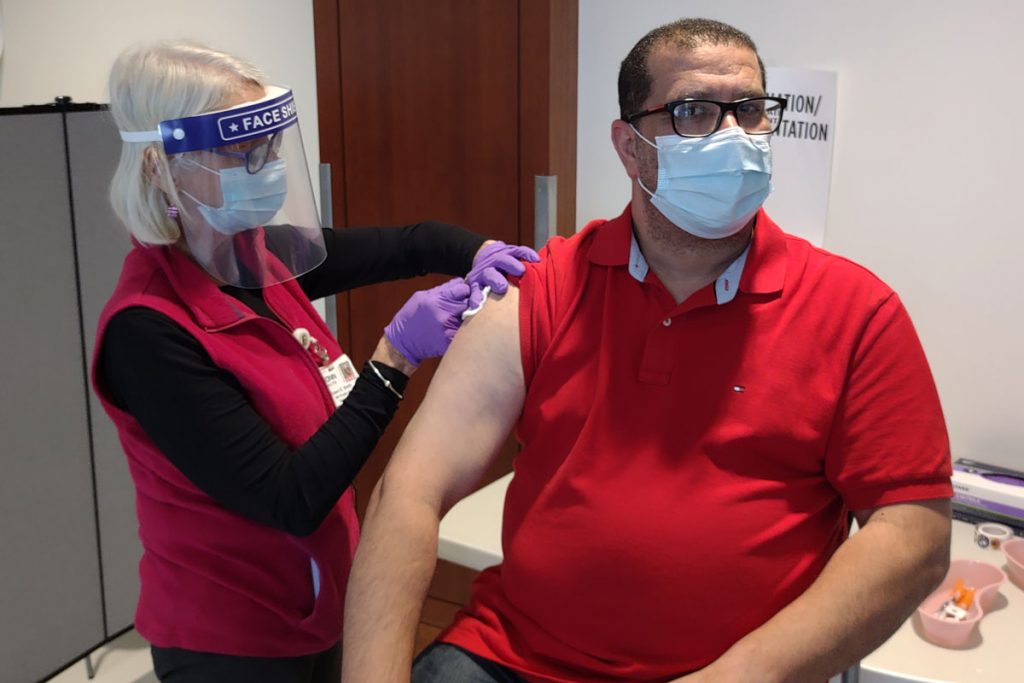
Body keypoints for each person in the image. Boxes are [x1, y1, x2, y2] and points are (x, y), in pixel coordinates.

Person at [342, 17, 953, 683]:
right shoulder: (542, 289)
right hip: (519, 656)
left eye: (749, 110)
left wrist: (741, 675)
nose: (732, 137)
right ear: (630, 148)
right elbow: (408, 489)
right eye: (694, 111)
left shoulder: (855, 311)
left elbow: (912, 532)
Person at [90, 40, 538, 683]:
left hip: (319, 603)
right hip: (231, 642)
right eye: (238, 152)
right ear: (162, 168)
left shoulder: (256, 257)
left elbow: (409, 244)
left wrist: (482, 252)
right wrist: (393, 359)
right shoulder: (149, 331)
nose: (265, 166)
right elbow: (289, 496)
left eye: (270, 147)